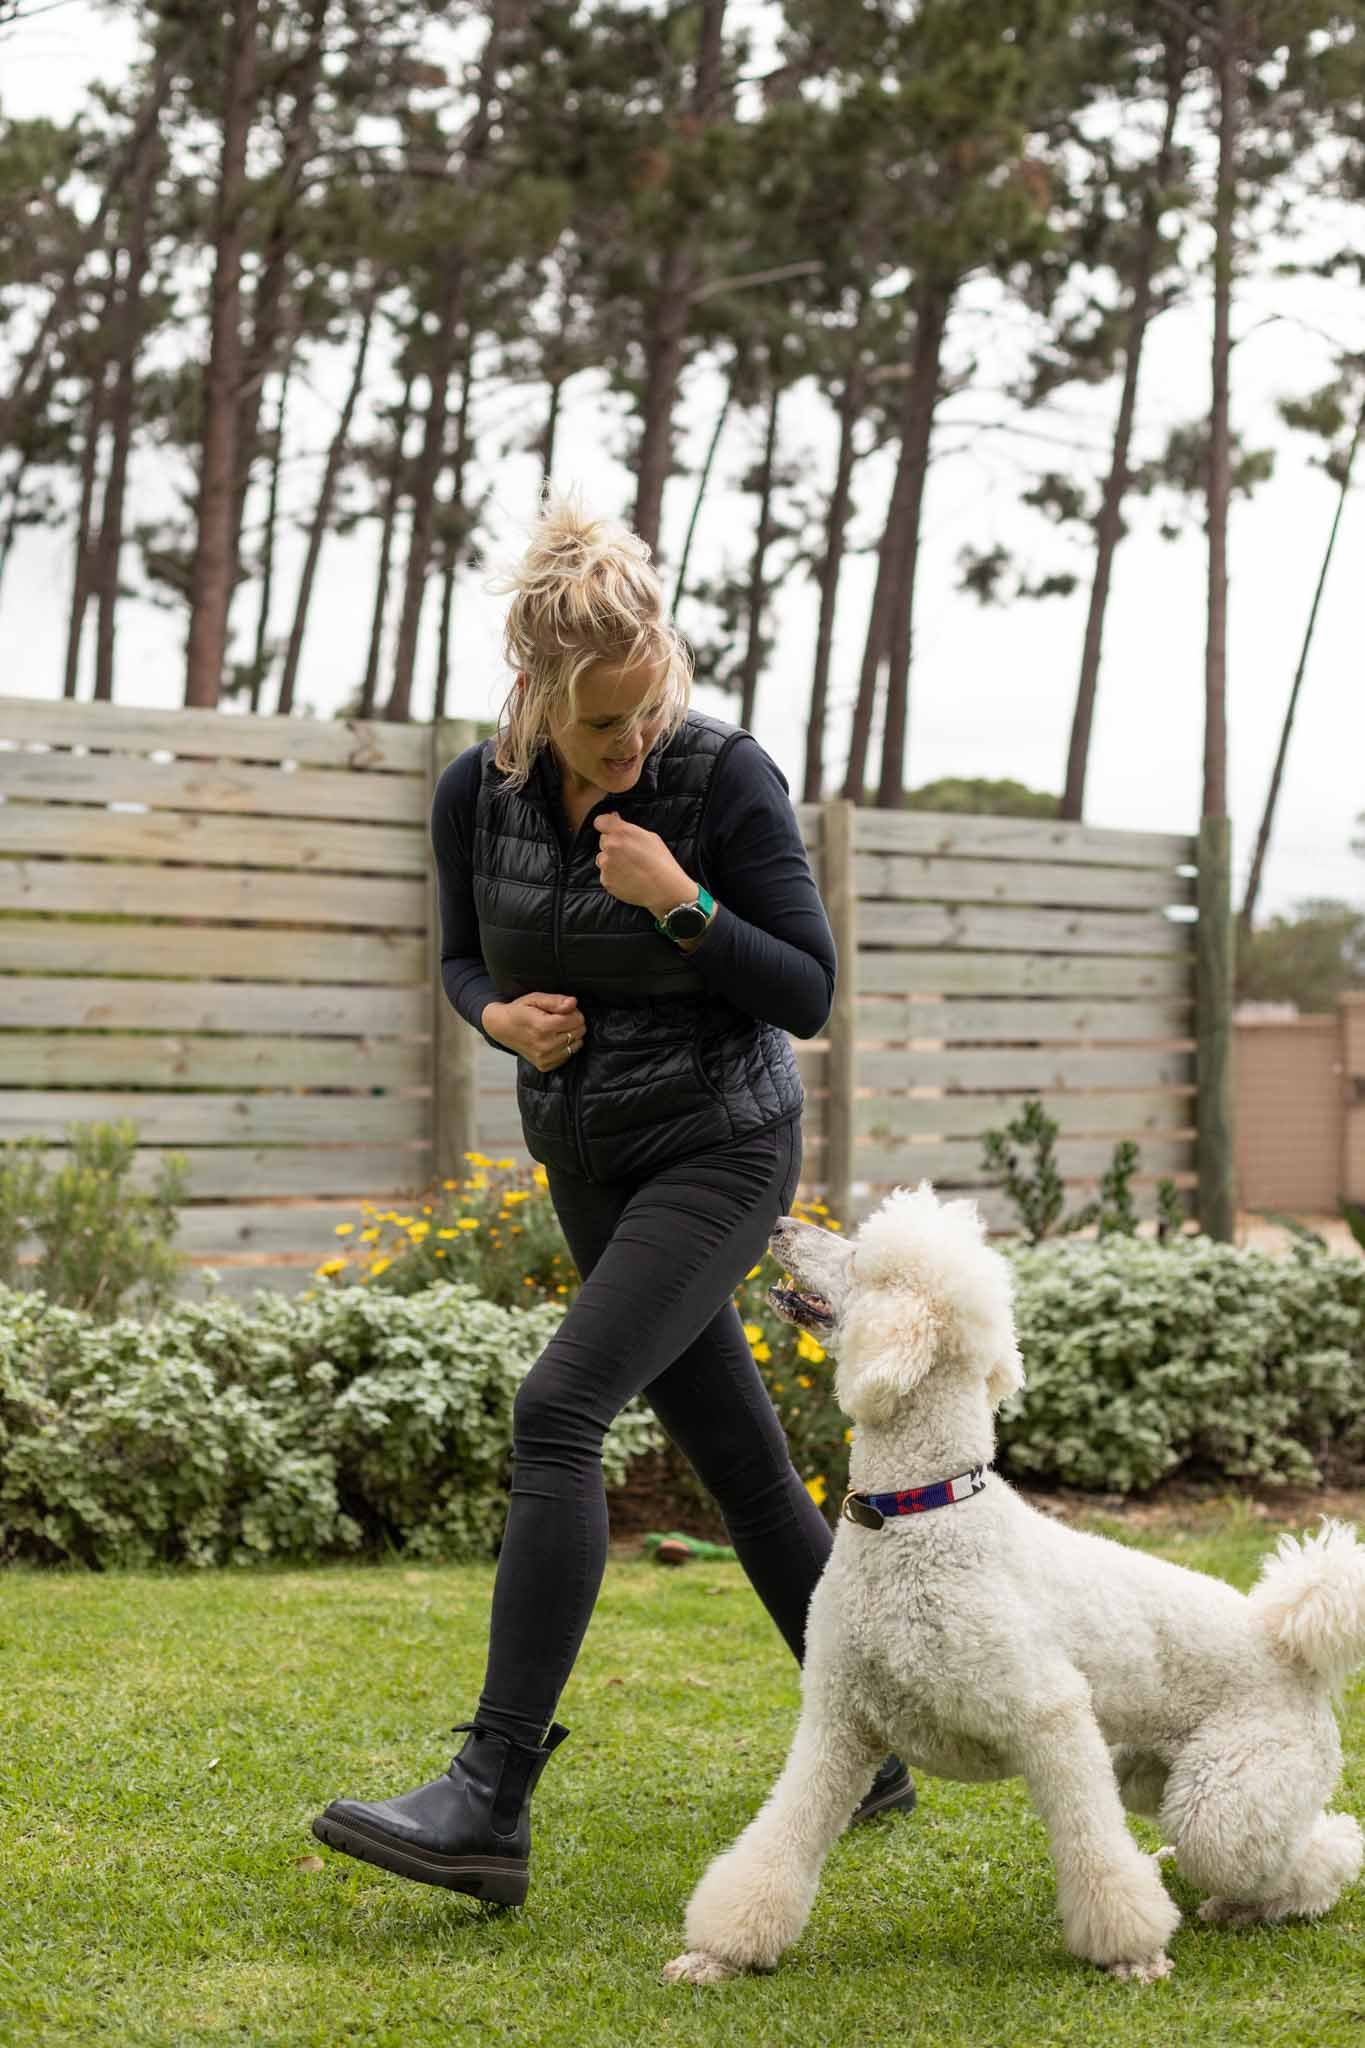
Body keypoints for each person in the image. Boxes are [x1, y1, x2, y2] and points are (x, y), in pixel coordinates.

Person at [311, 484, 914, 1905]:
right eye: (603, 725)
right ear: (534, 693)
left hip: (720, 1146)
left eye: (651, 709)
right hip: (585, 1153)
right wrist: (493, 1022)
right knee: (749, 1472)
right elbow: (463, 959)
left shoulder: (722, 781)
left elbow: (809, 992)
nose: (633, 741)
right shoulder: (475, 792)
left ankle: (488, 1798)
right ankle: (878, 1745)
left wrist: (679, 902)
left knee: (557, 1410)